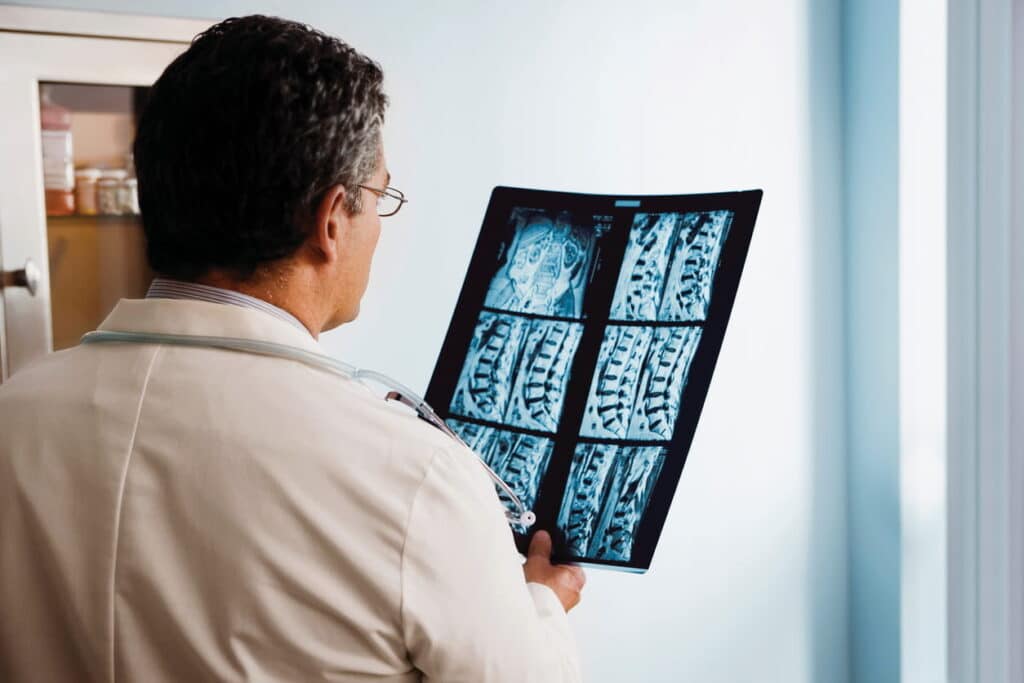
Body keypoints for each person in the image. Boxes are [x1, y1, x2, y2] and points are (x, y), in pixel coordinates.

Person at [0, 15, 584, 682]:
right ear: (331, 219)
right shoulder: (417, 477)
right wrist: (543, 604)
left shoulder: (12, 415)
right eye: (378, 197)